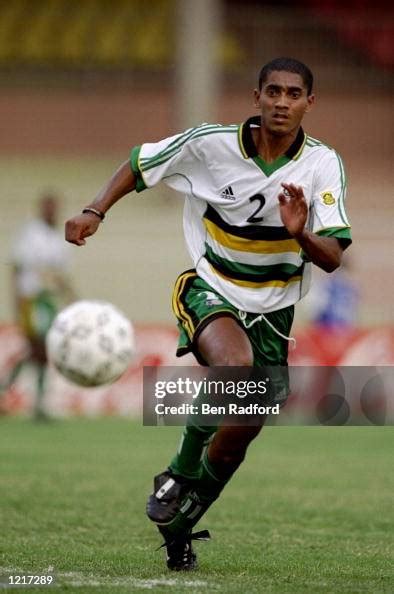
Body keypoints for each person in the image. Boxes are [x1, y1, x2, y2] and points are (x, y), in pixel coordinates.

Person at [65, 57, 352, 570]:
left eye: (293, 94)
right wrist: (95, 210)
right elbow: (139, 162)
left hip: (274, 313)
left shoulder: (322, 165)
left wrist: (300, 231)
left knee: (238, 437)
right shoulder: (209, 143)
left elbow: (332, 258)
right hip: (210, 285)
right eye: (273, 92)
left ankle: (180, 526)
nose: (281, 102)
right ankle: (175, 471)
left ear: (310, 102)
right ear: (256, 97)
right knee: (234, 370)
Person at [3, 192, 74, 419]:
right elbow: (16, 268)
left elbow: (58, 276)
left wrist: (72, 299)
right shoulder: (31, 235)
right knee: (36, 349)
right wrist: (16, 302)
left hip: (47, 301)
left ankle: (36, 404)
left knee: (42, 351)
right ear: (41, 209)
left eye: (54, 207)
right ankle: (16, 395)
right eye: (48, 207)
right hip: (30, 299)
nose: (51, 212)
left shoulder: (59, 239)